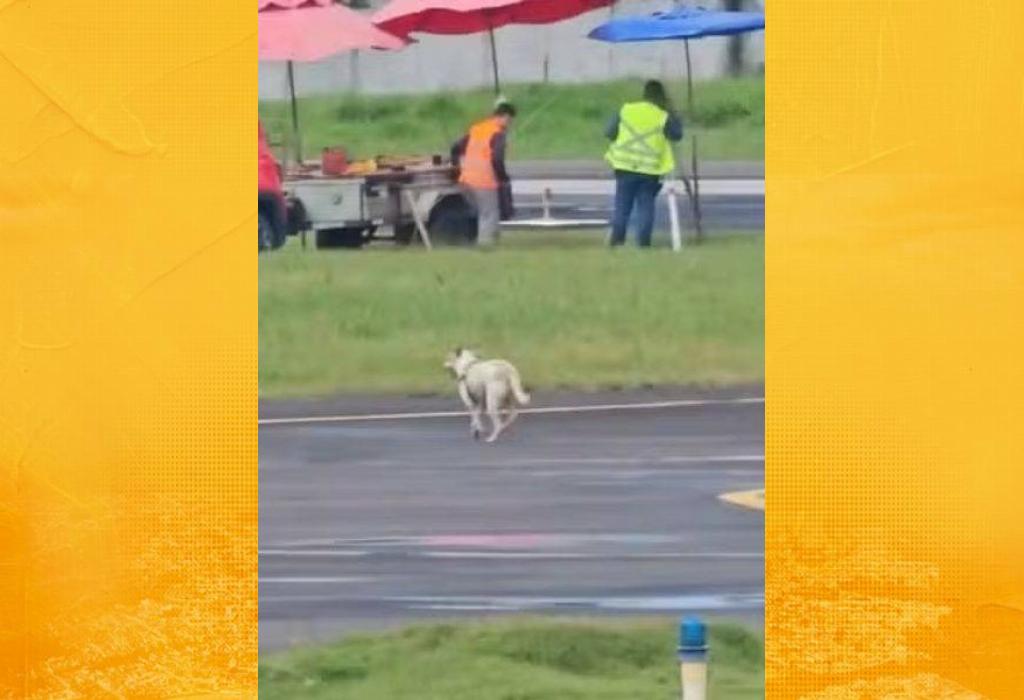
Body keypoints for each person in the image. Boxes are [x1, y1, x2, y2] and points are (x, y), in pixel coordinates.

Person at [604, 80, 683, 247]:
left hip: (624, 165)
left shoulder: (626, 109)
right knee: (645, 207)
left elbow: (609, 132)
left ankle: (617, 241)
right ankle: (643, 243)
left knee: (622, 206)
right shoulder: (662, 115)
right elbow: (677, 135)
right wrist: (673, 112)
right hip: (649, 169)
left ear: (644, 94)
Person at [451, 102, 517, 247]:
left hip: (466, 180)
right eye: (510, 120)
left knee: (481, 213)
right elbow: (497, 159)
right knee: (489, 214)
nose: (509, 124)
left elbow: (455, 147)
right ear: (504, 117)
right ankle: (485, 246)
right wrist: (502, 177)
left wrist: (457, 166)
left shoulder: (477, 128)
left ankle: (487, 241)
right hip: (484, 180)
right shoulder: (497, 133)